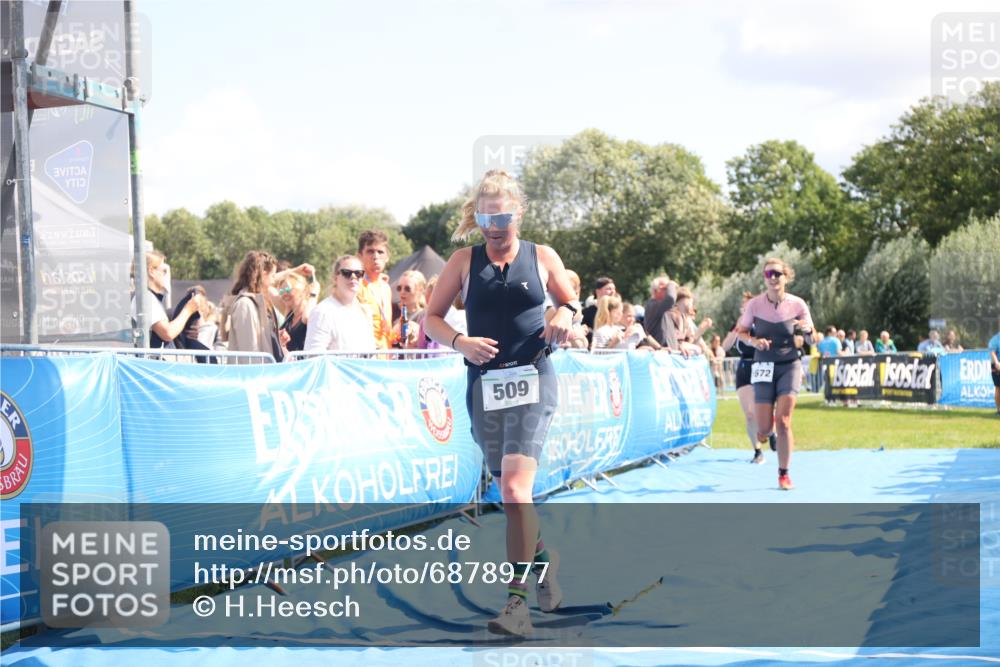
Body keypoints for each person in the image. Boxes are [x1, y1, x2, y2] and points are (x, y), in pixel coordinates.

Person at [423, 169, 575, 636]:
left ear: (519, 213)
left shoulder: (542, 256)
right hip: (484, 387)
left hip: (534, 378)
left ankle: (516, 605)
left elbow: (571, 303)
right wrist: (460, 341)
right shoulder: (463, 261)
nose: (495, 225)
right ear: (478, 216)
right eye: (487, 215)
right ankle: (545, 569)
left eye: (503, 215)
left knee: (513, 489)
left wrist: (565, 316)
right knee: (513, 497)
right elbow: (430, 318)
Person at [736, 258, 814, 491]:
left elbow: (812, 337)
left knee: (784, 421)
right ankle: (765, 433)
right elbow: (741, 332)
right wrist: (754, 340)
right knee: (763, 429)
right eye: (768, 274)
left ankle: (784, 473)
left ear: (785, 277)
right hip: (763, 366)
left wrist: (807, 331)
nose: (772, 278)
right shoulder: (755, 305)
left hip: (789, 365)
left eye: (777, 274)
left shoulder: (798, 304)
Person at [723, 292, 773, 464]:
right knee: (750, 414)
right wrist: (736, 329)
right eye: (744, 306)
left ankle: (771, 431)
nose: (746, 309)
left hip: (762, 366)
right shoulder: (738, 325)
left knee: (763, 409)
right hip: (745, 367)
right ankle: (757, 451)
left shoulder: (763, 323)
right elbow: (725, 347)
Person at [303, 255, 377, 352]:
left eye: (358, 273)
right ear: (335, 277)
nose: (353, 277)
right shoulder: (322, 312)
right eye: (346, 273)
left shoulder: (365, 311)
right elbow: (313, 357)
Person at [134, 251, 206, 349]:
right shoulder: (146, 298)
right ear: (151, 271)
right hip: (148, 362)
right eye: (164, 271)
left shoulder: (147, 296)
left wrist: (184, 331)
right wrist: (188, 310)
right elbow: (167, 333)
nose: (166, 276)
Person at [222, 250, 284, 362]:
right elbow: (249, 350)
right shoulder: (245, 305)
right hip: (254, 375)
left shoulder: (259, 302)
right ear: (263, 273)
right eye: (273, 275)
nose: (274, 280)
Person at [356, 230, 394, 349]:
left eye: (380, 252)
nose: (376, 256)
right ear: (360, 256)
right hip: (364, 354)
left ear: (387, 257)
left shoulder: (386, 287)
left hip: (385, 355)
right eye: (370, 251)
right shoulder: (355, 284)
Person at [276, 266, 318, 353]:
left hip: (306, 365)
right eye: (281, 291)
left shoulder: (310, 310)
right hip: (290, 365)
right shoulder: (289, 312)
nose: (284, 294)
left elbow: (306, 317)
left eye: (288, 289)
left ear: (302, 290)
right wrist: (294, 270)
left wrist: (314, 294)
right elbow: (264, 283)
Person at [661, 288, 704, 355]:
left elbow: (689, 339)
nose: (690, 307)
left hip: (678, 348)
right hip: (669, 348)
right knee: (697, 350)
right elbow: (670, 339)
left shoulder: (685, 319)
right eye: (688, 304)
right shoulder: (670, 315)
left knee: (698, 350)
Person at [393, 269, 427, 349]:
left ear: (420, 290)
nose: (402, 292)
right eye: (399, 288)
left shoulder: (424, 315)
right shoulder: (393, 311)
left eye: (407, 289)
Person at [644, 275, 678, 347]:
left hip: (669, 352)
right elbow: (671, 298)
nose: (669, 291)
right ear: (655, 291)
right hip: (659, 353)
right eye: (666, 288)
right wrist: (671, 284)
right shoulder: (652, 306)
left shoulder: (664, 308)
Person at [580, 277, 615, 344]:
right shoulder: (587, 313)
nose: (613, 291)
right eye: (609, 289)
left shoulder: (616, 312)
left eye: (614, 289)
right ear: (598, 291)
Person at [989, 327, 1000, 416]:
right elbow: (992, 352)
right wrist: (997, 363)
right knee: (998, 388)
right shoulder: (995, 339)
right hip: (997, 365)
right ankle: (999, 410)